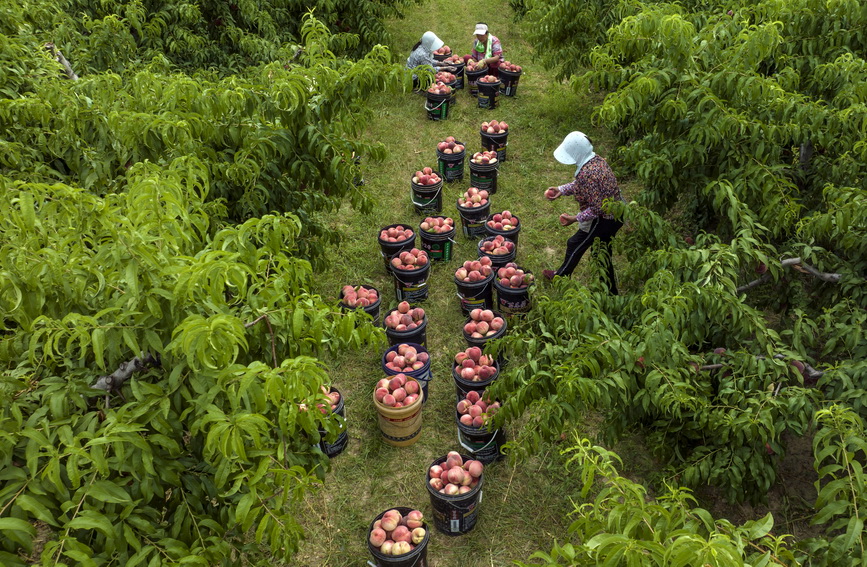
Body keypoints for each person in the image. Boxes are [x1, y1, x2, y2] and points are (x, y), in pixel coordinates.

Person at [542, 132, 625, 295]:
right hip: (618, 212)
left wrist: (574, 219)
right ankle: (610, 292)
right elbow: (582, 184)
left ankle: (561, 276)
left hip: (605, 219)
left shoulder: (588, 173)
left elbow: (597, 209)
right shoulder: (596, 160)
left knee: (576, 243)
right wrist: (561, 189)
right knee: (601, 251)